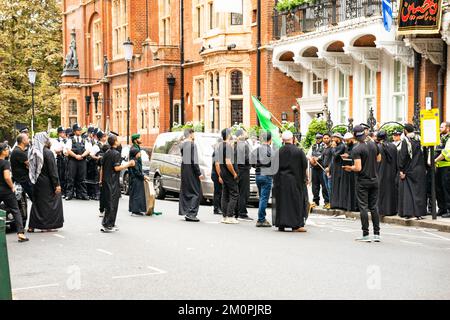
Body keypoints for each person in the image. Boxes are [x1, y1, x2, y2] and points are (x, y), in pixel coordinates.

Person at [343, 125, 381, 242]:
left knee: (363, 207)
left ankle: (365, 234)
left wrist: (349, 167)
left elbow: (358, 168)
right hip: (374, 179)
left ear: (354, 135)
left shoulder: (356, 149)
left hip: (363, 181)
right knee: (374, 207)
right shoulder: (373, 144)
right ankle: (377, 234)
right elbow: (379, 159)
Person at [28, 132, 64, 233]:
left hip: (36, 180)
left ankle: (32, 226)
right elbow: (53, 170)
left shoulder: (33, 151)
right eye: (47, 139)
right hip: (47, 182)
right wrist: (57, 184)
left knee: (37, 203)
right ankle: (47, 225)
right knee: (48, 203)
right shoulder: (47, 153)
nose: (48, 141)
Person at [272, 131, 308, 232]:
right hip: (295, 180)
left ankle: (281, 224)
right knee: (295, 202)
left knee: (282, 201)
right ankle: (295, 225)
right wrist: (305, 178)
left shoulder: (278, 152)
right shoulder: (298, 151)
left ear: (282, 140)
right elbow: (304, 166)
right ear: (293, 139)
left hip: (280, 180)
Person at [100, 134, 134, 232]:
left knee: (109, 203)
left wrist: (101, 180)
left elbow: (102, 166)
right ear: (115, 142)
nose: (119, 141)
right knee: (112, 203)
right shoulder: (116, 154)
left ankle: (109, 223)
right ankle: (108, 224)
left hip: (106, 180)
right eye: (117, 140)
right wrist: (128, 164)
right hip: (112, 181)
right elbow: (116, 168)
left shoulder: (107, 152)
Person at [0, 143, 28, 242]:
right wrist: (12, 187)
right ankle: (20, 233)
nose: (8, 151)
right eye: (7, 149)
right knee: (15, 210)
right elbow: (7, 177)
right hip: (6, 190)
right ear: (3, 151)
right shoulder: (5, 163)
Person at [398, 124, 427, 220]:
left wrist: (401, 170)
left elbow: (403, 156)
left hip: (410, 169)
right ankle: (420, 212)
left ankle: (410, 212)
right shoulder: (420, 139)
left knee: (409, 192)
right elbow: (425, 154)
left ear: (405, 131)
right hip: (420, 168)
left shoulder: (406, 141)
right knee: (419, 191)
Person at [179, 129, 203, 222]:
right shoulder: (192, 144)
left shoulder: (182, 145)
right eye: (193, 134)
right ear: (190, 134)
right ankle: (191, 214)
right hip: (192, 171)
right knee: (196, 192)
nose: (194, 135)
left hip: (184, 169)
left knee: (186, 191)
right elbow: (194, 160)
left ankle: (186, 211)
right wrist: (199, 173)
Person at [217, 128, 239, 224]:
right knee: (234, 193)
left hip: (223, 172)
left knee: (225, 194)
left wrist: (220, 174)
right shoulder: (228, 147)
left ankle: (224, 216)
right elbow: (228, 162)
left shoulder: (219, 146)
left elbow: (217, 162)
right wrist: (234, 173)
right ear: (229, 135)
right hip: (229, 173)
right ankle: (230, 216)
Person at [252, 130, 273, 228]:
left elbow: (251, 162)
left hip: (258, 174)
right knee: (264, 198)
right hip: (267, 175)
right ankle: (261, 219)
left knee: (262, 197)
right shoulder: (271, 150)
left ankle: (261, 218)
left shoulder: (256, 150)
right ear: (270, 139)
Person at [65, 124, 91, 200]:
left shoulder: (85, 140)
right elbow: (68, 150)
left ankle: (82, 194)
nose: (79, 131)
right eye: (77, 130)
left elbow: (88, 150)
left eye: (80, 130)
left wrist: (82, 156)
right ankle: (69, 194)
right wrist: (76, 156)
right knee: (71, 177)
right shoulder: (70, 140)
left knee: (82, 177)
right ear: (74, 131)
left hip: (82, 161)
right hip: (73, 160)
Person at [376, 130, 398, 217]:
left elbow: (376, 161)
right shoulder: (393, 146)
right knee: (391, 191)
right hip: (392, 172)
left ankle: (382, 210)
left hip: (381, 172)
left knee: (381, 192)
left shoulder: (378, 147)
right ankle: (392, 210)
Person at [128, 134, 149, 216]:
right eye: (139, 138)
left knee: (138, 193)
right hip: (135, 176)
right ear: (135, 140)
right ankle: (135, 210)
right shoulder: (134, 149)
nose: (141, 139)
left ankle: (137, 210)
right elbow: (135, 168)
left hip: (137, 175)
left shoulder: (136, 147)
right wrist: (143, 176)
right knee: (136, 193)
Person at [234, 129, 252, 221]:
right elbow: (246, 158)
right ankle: (242, 213)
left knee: (239, 191)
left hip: (238, 169)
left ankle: (236, 212)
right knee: (244, 192)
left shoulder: (236, 144)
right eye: (245, 132)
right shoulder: (243, 145)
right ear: (241, 135)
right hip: (243, 169)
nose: (247, 133)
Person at [307, 133, 328, 208]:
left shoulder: (324, 146)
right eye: (316, 138)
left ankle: (326, 201)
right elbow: (308, 155)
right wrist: (311, 159)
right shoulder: (313, 146)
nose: (317, 140)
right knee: (315, 186)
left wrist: (317, 158)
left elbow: (324, 154)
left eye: (319, 138)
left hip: (322, 168)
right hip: (314, 168)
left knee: (324, 185)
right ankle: (316, 201)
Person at [10, 133, 33, 200]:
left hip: (21, 179)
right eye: (27, 138)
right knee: (34, 198)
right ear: (23, 140)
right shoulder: (19, 152)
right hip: (23, 179)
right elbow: (30, 165)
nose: (29, 140)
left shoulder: (18, 150)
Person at [435, 121, 450, 218]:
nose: (440, 128)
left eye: (442, 127)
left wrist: (434, 160)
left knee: (446, 189)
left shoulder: (449, 139)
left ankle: (449, 210)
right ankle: (442, 208)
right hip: (439, 166)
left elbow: (445, 153)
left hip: (447, 166)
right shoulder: (440, 138)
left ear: (448, 128)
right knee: (439, 189)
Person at [340, 132, 358, 212]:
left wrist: (349, 156)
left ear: (352, 139)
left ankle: (355, 206)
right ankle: (349, 205)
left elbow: (357, 157)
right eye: (345, 141)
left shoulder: (356, 146)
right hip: (348, 169)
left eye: (347, 140)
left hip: (355, 170)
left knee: (354, 188)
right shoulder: (348, 146)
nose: (346, 142)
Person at [329, 132, 346, 210]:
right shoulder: (337, 146)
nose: (332, 139)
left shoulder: (342, 146)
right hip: (335, 168)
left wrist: (333, 147)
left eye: (334, 137)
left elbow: (335, 155)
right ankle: (334, 203)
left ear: (338, 138)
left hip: (339, 168)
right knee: (334, 185)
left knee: (338, 185)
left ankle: (338, 203)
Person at [52, 127, 68, 197]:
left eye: (64, 132)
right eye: (62, 132)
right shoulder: (56, 141)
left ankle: (66, 191)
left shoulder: (67, 140)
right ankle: (61, 192)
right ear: (58, 133)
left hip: (67, 158)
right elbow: (55, 150)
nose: (63, 134)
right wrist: (62, 149)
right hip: (60, 159)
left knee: (66, 175)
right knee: (60, 175)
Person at [97, 131, 110, 218]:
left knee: (105, 194)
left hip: (105, 177)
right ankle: (102, 209)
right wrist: (100, 180)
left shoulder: (104, 156)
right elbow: (101, 168)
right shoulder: (103, 156)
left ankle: (104, 209)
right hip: (104, 177)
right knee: (104, 194)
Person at [86, 127, 99, 200]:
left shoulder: (96, 142)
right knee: (89, 177)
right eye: (92, 133)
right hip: (89, 160)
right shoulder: (87, 140)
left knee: (95, 177)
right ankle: (90, 193)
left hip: (95, 161)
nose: (93, 135)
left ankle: (94, 193)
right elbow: (88, 151)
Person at [211, 138, 223, 215]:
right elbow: (217, 164)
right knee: (218, 192)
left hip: (215, 173)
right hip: (216, 174)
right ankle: (216, 208)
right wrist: (220, 176)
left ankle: (219, 207)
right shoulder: (217, 152)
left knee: (219, 192)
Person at [321, 133, 332, 209]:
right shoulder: (325, 148)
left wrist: (329, 168)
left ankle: (332, 203)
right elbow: (322, 158)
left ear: (330, 138)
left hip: (329, 170)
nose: (325, 139)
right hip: (324, 169)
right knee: (326, 187)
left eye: (327, 138)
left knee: (330, 187)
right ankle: (328, 202)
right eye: (324, 138)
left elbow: (333, 160)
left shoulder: (332, 148)